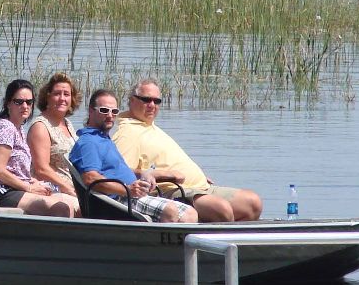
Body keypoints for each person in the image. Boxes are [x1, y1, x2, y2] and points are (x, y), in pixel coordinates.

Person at [110, 79, 263, 222]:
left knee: (252, 204)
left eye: (157, 101)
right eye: (146, 100)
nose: (152, 105)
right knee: (222, 209)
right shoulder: (127, 132)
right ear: (132, 100)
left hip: (200, 186)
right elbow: (121, 173)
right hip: (172, 190)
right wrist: (165, 175)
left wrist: (195, 174)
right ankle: (202, 236)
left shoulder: (148, 126)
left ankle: (218, 234)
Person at [68, 90, 198, 223]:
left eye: (114, 111)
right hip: (117, 200)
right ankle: (161, 237)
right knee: (170, 210)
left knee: (189, 213)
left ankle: (174, 237)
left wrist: (143, 175)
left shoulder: (103, 139)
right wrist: (128, 189)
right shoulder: (89, 143)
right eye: (104, 110)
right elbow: (90, 178)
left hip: (131, 195)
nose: (110, 115)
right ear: (91, 111)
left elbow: (113, 169)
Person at [0, 80, 79, 217]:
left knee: (67, 203)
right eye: (18, 102)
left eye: (29, 102)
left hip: (17, 189)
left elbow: (16, 171)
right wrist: (29, 188)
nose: (24, 106)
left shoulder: (19, 130)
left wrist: (34, 182)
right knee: (61, 208)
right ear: (8, 103)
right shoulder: (6, 128)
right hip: (0, 191)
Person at [26, 72, 80, 196]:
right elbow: (41, 169)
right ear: (47, 98)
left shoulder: (67, 123)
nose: (62, 98)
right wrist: (71, 190)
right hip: (51, 190)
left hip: (74, 188)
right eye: (57, 94)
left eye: (66, 94)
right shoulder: (40, 126)